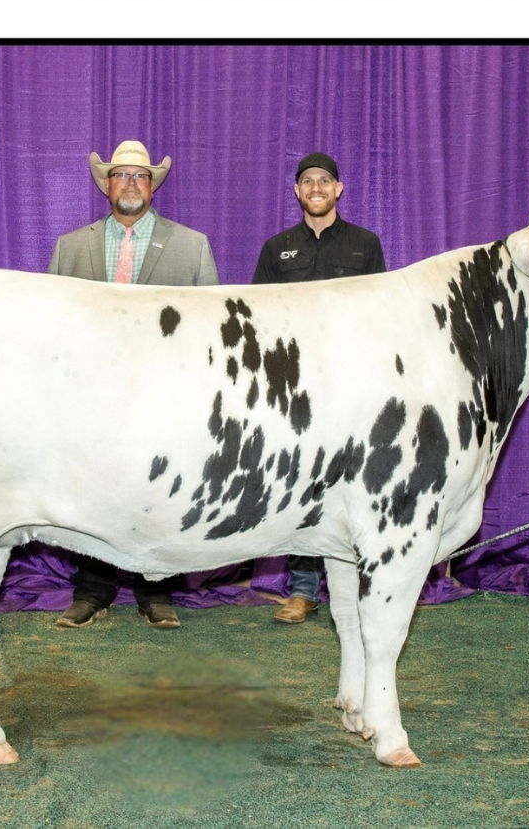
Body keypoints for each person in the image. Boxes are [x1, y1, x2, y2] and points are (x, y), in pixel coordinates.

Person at [49, 140, 219, 630]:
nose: (130, 183)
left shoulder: (191, 245)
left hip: (164, 395)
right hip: (91, 394)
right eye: (121, 174)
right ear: (106, 185)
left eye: (140, 176)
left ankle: (156, 590)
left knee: (160, 489)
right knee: (90, 491)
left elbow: (210, 325)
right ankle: (92, 590)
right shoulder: (70, 247)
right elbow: (51, 323)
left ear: (152, 187)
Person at [251, 151, 386, 623]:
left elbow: (381, 314)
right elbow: (259, 317)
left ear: (338, 189)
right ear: (297, 191)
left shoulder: (365, 244)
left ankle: (361, 581)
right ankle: (304, 589)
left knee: (359, 480)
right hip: (296, 388)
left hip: (353, 383)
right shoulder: (277, 249)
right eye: (307, 181)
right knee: (303, 483)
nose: (315, 188)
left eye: (324, 180)